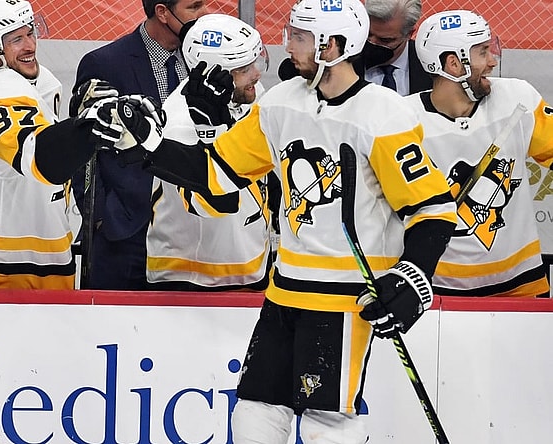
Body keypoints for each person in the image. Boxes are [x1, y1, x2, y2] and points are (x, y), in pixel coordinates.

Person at [126, 0, 457, 441]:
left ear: (333, 46)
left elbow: (432, 208)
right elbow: (218, 176)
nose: (287, 46)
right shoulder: (281, 102)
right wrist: (151, 145)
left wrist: (414, 273)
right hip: (284, 291)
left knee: (330, 421)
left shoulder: (383, 114)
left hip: (345, 299)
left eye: (299, 37)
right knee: (255, 411)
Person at [0, 0, 120, 288]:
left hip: (44, 257)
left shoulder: (41, 83)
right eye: (15, 39)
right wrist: (90, 124)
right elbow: (43, 161)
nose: (30, 45)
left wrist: (83, 124)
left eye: (30, 32)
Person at [407, 10, 553, 298]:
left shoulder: (517, 98)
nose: (492, 60)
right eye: (483, 52)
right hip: (435, 289)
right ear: (452, 63)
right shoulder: (403, 120)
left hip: (520, 284)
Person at [70, 0, 209, 290]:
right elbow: (82, 148)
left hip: (194, 233)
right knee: (115, 332)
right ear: (162, 12)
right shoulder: (105, 63)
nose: (203, 15)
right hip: (126, 236)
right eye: (194, 7)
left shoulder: (206, 60)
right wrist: (103, 220)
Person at [147, 13, 276, 291]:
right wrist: (212, 132)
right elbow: (215, 205)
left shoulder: (250, 94)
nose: (257, 73)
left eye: (255, 61)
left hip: (250, 267)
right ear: (212, 74)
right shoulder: (179, 122)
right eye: (244, 68)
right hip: (195, 278)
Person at [362, 0, 431, 95]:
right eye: (368, 34)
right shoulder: (342, 58)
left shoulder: (429, 64)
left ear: (409, 34)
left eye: (385, 40)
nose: (372, 42)